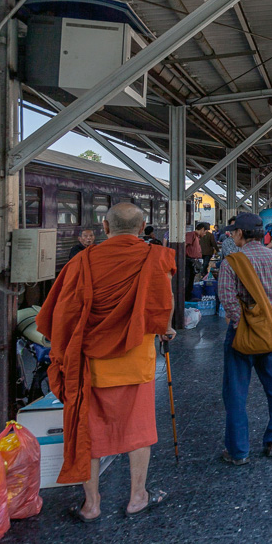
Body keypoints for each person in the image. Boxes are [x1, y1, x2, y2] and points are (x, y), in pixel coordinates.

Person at [36, 203, 176, 521]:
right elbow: (163, 302)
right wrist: (167, 330)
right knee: (139, 430)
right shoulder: (156, 257)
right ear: (142, 229)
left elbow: (63, 312)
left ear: (105, 227)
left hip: (92, 364)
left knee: (91, 431)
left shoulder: (82, 261)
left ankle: (92, 504)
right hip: (135, 361)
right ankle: (138, 496)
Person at [218, 214, 272, 463]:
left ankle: (238, 451)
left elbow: (228, 300)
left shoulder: (231, 263)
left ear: (240, 233)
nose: (231, 235)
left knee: (236, 393)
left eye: (233, 232)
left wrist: (245, 326)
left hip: (242, 335)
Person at [184, 224, 202, 293]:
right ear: (202, 229)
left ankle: (188, 296)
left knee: (191, 280)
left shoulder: (197, 237)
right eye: (205, 232)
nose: (205, 234)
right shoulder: (191, 235)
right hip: (189, 260)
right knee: (187, 280)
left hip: (194, 261)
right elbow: (185, 245)